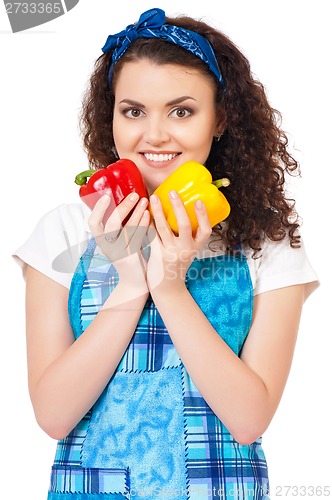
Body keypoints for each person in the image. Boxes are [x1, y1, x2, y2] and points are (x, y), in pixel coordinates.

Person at [13, 7, 319, 500]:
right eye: (133, 111)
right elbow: (53, 416)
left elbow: (248, 420)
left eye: (182, 111)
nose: (154, 135)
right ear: (109, 115)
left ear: (219, 119)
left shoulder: (268, 241)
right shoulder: (64, 230)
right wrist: (132, 285)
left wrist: (170, 285)